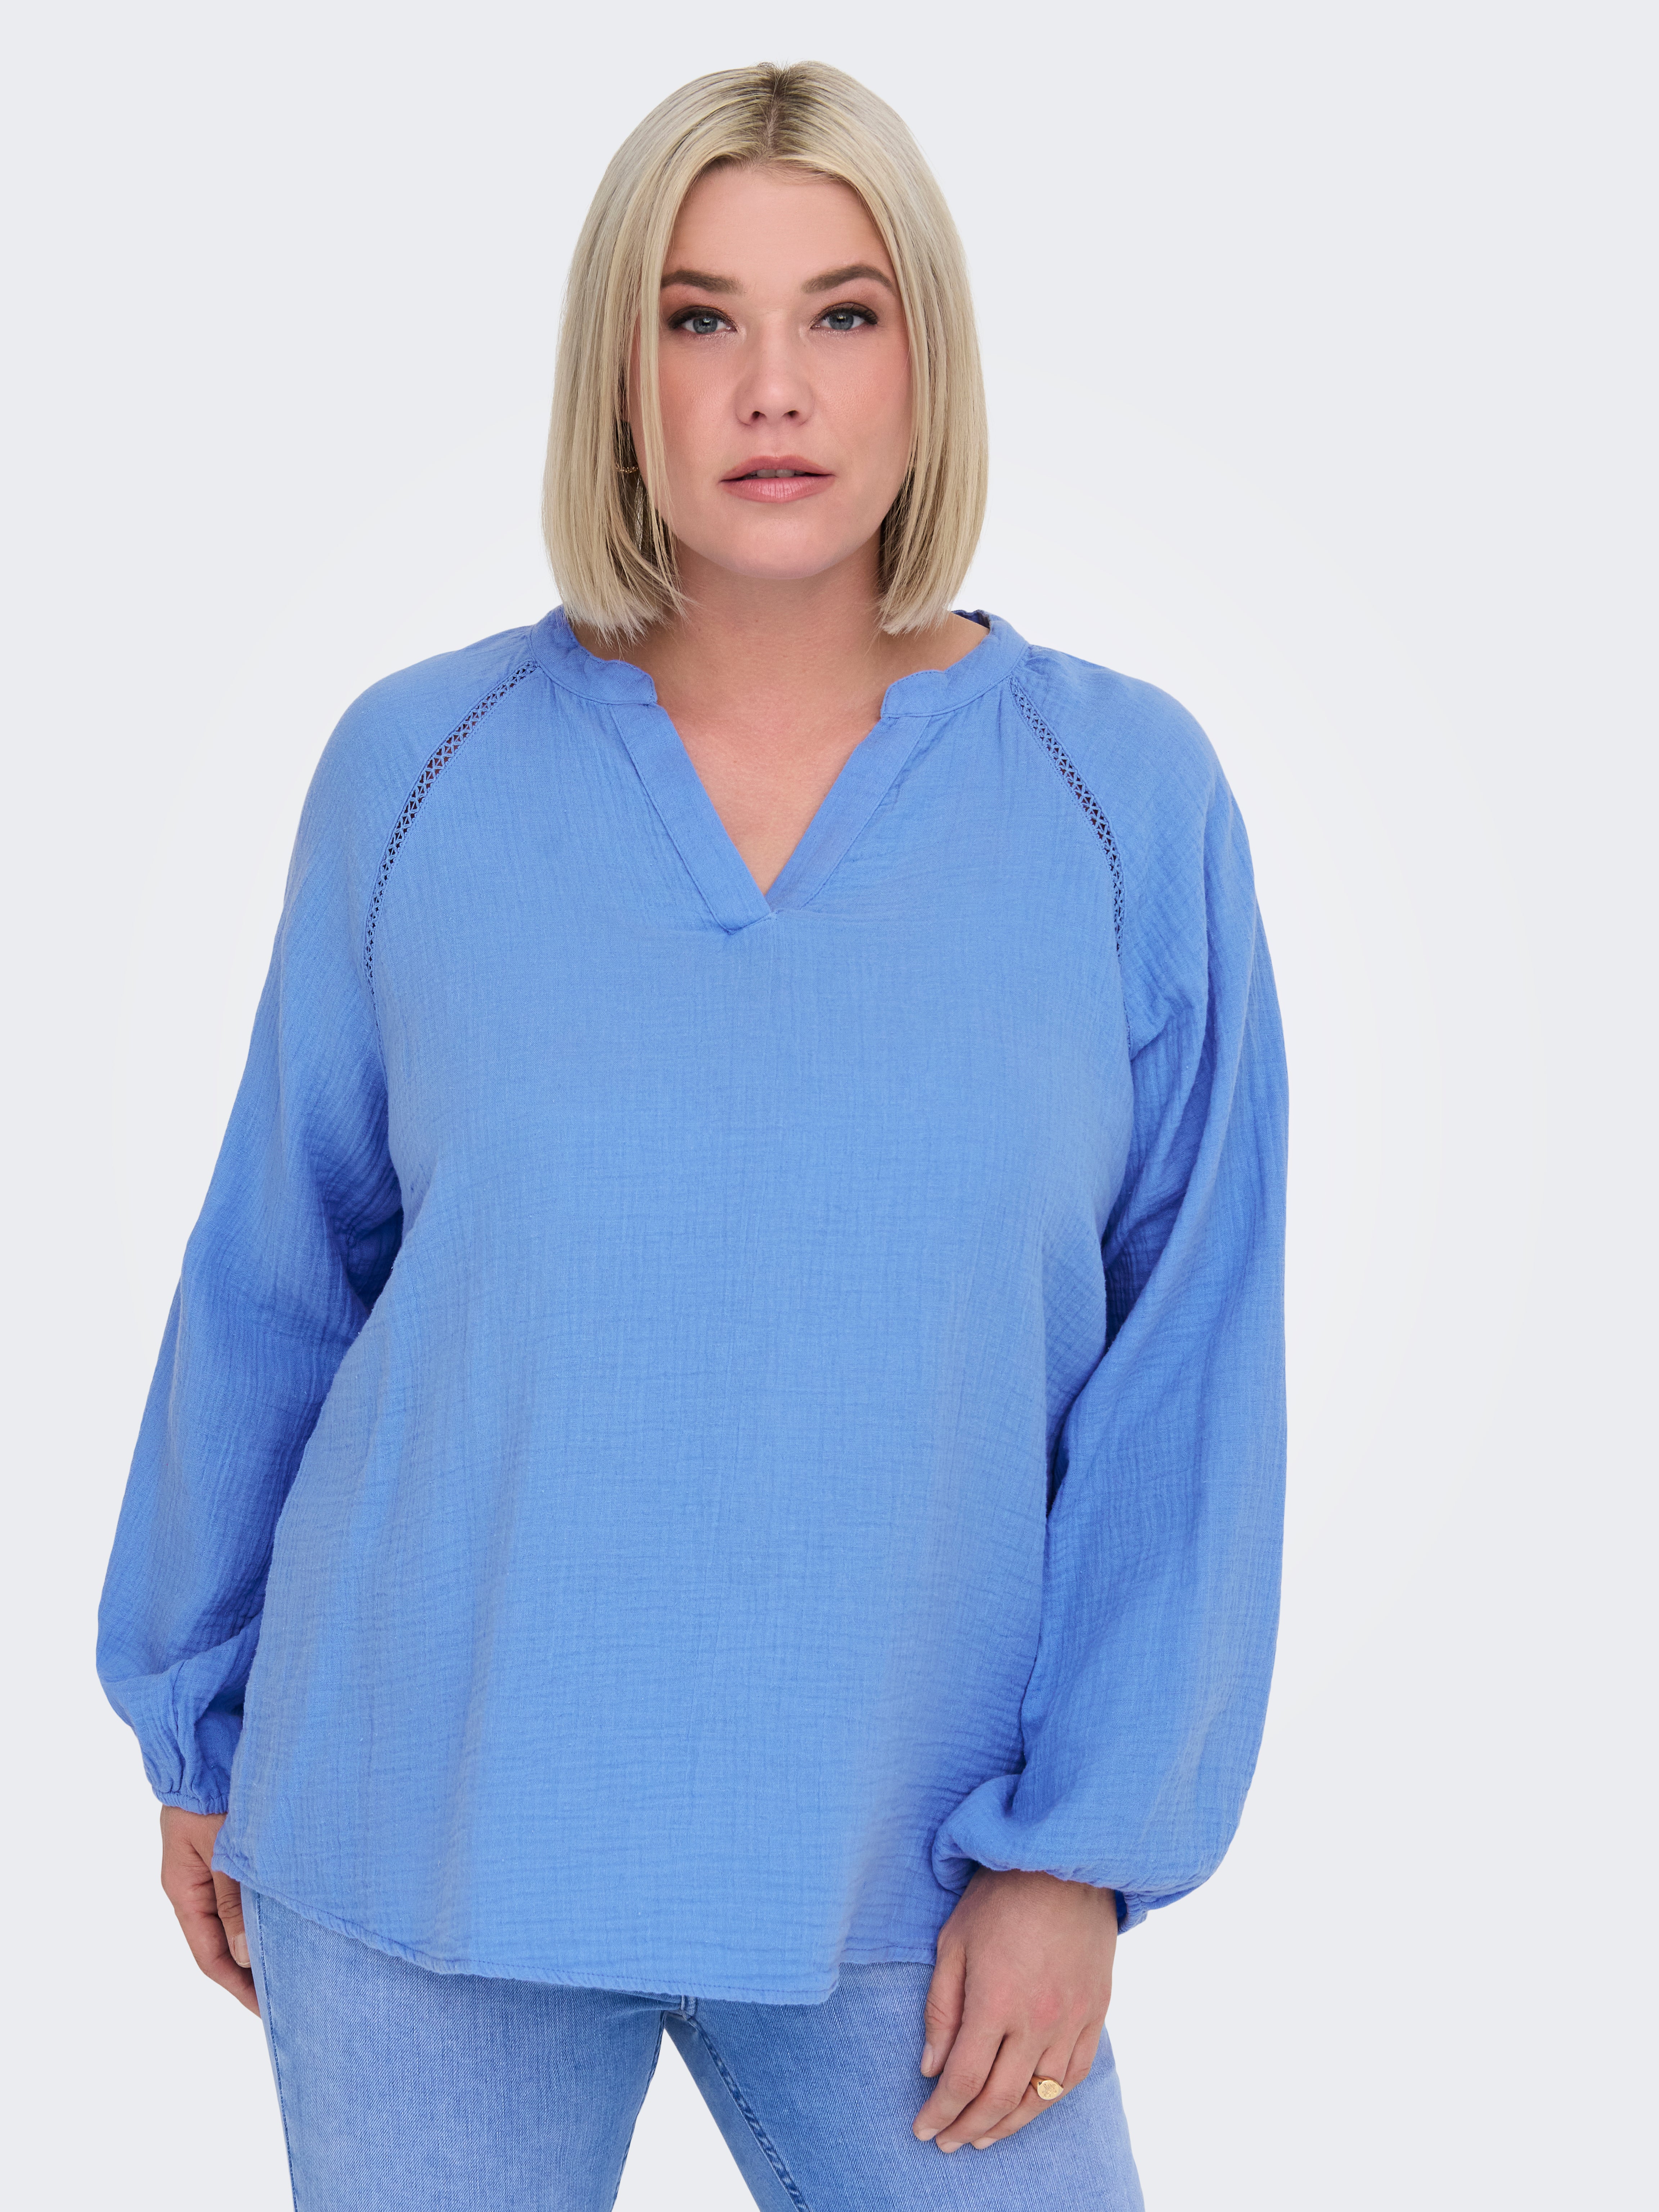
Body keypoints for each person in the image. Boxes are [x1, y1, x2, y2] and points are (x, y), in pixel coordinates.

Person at [97, 59, 1287, 2212]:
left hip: (921, 1866)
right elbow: (276, 1274)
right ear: (618, 369)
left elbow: (1187, 1360)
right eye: (699, 316)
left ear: (928, 355)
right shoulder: (420, 769)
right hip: (424, 1828)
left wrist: (1083, 1854)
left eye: (843, 313)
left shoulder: (1123, 802)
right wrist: (199, 1722)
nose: (773, 388)